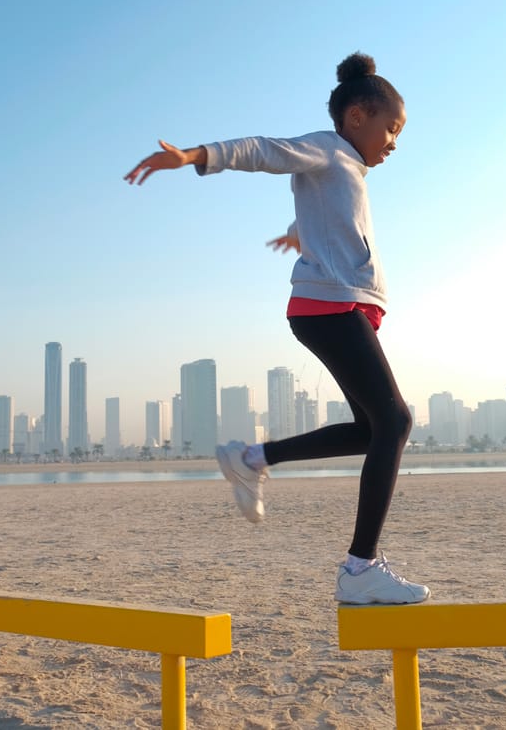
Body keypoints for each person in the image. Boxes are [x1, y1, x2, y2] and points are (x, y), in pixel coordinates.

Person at [125, 52, 428, 605]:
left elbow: (328, 215)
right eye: (391, 128)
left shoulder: (346, 170)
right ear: (357, 116)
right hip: (330, 307)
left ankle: (252, 459)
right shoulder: (329, 148)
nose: (394, 142)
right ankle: (360, 569)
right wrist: (198, 155)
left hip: (344, 308)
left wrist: (298, 230)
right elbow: (265, 151)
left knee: (371, 429)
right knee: (397, 419)